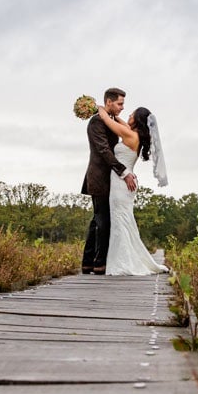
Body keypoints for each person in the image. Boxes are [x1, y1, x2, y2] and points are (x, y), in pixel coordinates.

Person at [95, 105, 169, 275]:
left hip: (122, 183)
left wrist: (99, 108)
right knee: (123, 221)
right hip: (124, 181)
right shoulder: (134, 134)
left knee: (120, 222)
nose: (127, 114)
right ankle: (124, 259)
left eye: (131, 114)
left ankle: (123, 263)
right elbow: (120, 123)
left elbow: (107, 120)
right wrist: (115, 114)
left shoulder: (129, 134)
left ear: (137, 120)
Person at [81, 88, 136, 275]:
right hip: (99, 178)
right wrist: (124, 172)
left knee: (97, 221)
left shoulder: (109, 120)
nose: (122, 107)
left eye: (123, 104)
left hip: (110, 179)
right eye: (119, 103)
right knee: (102, 221)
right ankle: (99, 264)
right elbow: (104, 151)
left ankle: (89, 263)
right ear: (109, 102)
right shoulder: (96, 122)